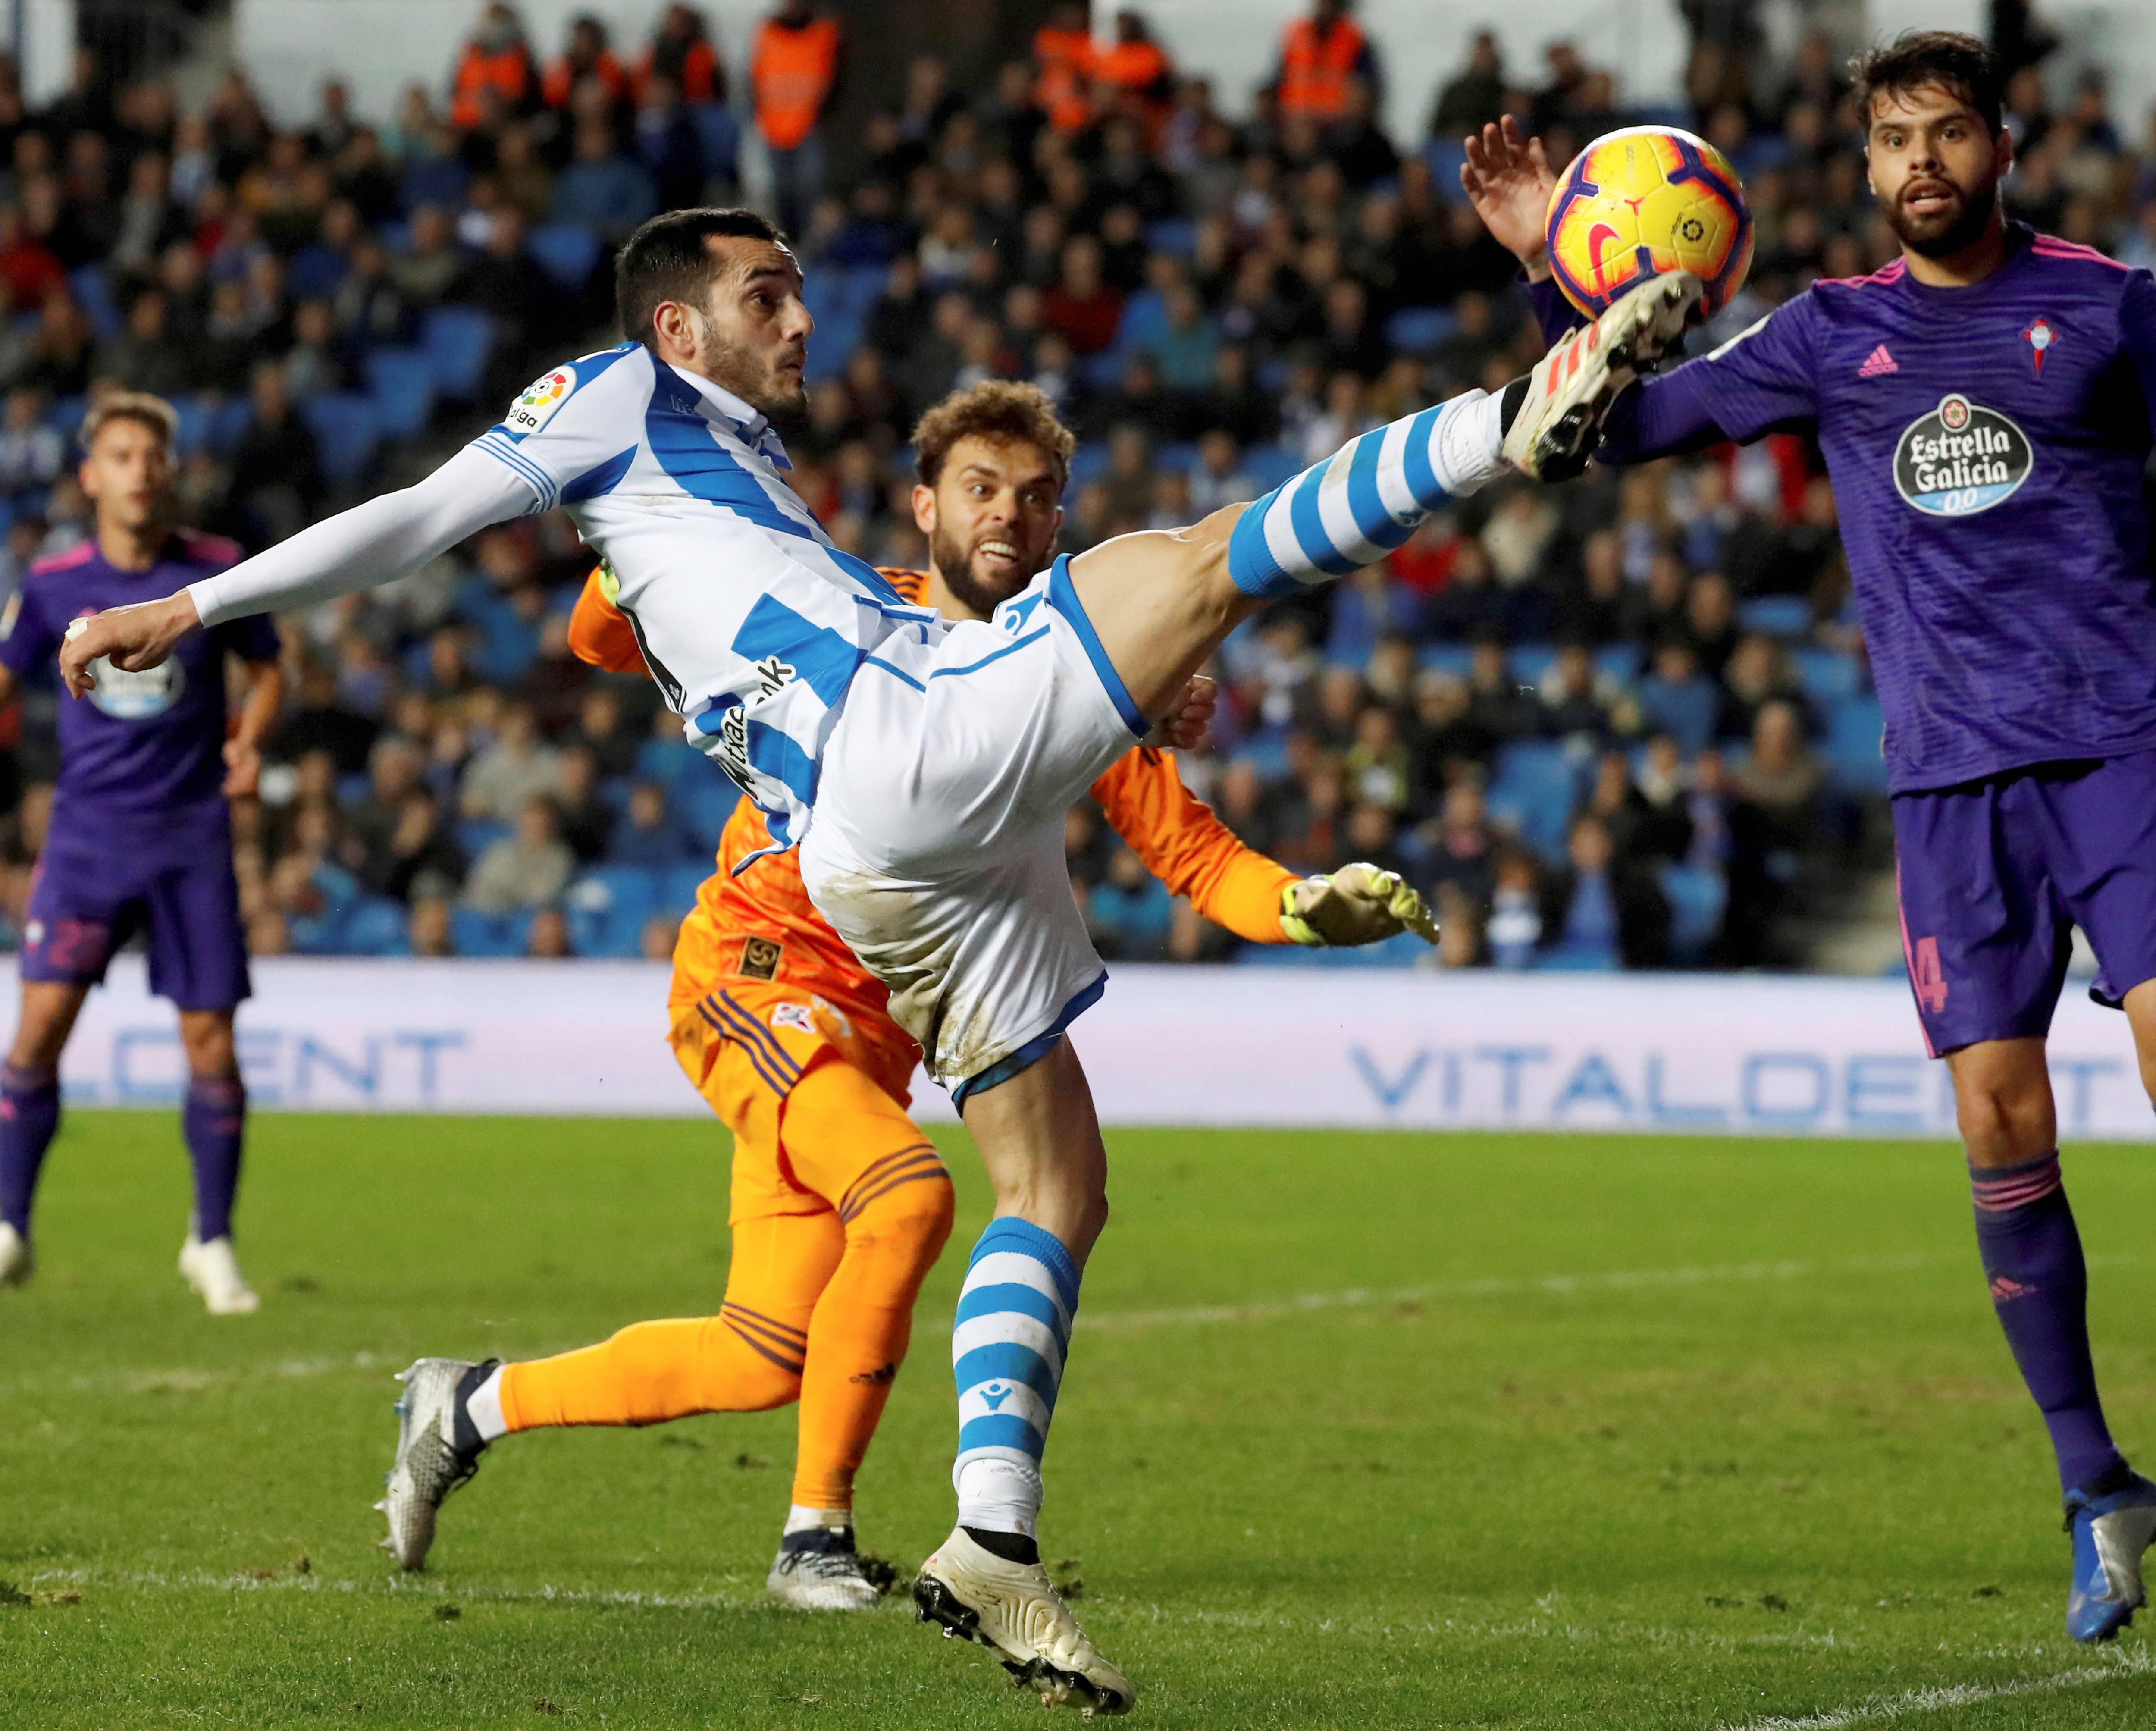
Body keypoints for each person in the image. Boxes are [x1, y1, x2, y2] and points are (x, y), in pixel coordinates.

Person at [57, 207, 1683, 1711]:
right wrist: (190, 610)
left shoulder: (753, 469)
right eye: (766, 294)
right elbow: (418, 518)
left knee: (1050, 1188)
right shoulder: (616, 393)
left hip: (906, 845)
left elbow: (1161, 828)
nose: (802, 314)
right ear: (676, 324)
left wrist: (1259, 850)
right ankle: (1510, 424)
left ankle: (987, 1533)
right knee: (1192, 557)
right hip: (872, 799)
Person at [373, 378, 1430, 1612]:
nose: (1011, 517)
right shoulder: (847, 606)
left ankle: (470, 1400)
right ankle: (813, 1537)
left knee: (762, 1347)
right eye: (982, 488)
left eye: (1039, 500)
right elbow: (596, 644)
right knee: (910, 1193)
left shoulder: (1072, 683)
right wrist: (641, 549)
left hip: (874, 1035)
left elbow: (1195, 857)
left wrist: (1303, 904)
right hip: (758, 970)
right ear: (923, 505)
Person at [1462, 31, 2156, 1644]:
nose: (1919, 162)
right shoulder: (1825, 335)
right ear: (1859, 170)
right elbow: (1609, 434)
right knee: (1997, 1119)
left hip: (2122, 746)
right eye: (1890, 140)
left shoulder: (2113, 306)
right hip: (1945, 786)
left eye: (1946, 133)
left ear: (2003, 144)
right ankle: (2093, 1485)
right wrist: (1544, 273)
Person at [0, 395, 282, 1311]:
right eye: (120, 455)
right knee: (39, 1031)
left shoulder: (215, 573)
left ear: (171, 470)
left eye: (152, 455)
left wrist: (250, 740)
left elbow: (268, 667)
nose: (139, 470)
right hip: (86, 839)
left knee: (211, 1041)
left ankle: (211, 1240)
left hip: (191, 835)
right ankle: (10, 1227)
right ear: (91, 476)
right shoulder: (48, 585)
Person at [751, 0, 841, 238]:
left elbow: (836, 77)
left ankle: (807, 244)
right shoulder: (767, 31)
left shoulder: (825, 32)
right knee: (781, 190)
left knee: (808, 189)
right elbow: (756, 76)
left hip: (808, 126)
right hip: (774, 126)